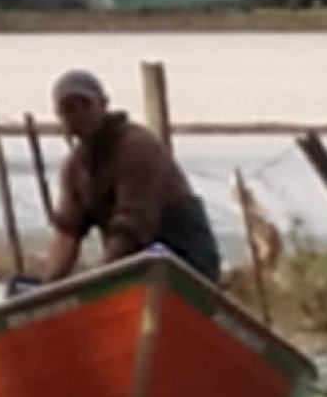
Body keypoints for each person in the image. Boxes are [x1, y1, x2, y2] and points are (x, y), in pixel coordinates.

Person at [40, 68, 221, 283]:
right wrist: (48, 285)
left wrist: (97, 280)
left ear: (104, 104)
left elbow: (132, 229)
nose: (78, 115)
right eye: (68, 109)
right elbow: (67, 234)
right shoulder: (74, 168)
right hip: (135, 267)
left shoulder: (136, 147)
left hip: (185, 258)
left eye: (85, 105)